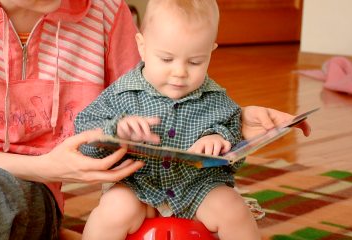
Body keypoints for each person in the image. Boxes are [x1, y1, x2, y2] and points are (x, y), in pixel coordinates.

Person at [0, 0, 310, 239]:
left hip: (13, 187)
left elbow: (152, 98)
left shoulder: (107, 12)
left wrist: (233, 119)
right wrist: (48, 163)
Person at [74, 1, 284, 239]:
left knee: (234, 210)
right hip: (138, 185)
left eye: (195, 62)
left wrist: (220, 139)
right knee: (112, 211)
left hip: (197, 187)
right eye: (166, 59)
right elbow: (83, 134)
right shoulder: (121, 93)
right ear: (142, 46)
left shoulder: (216, 99)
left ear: (210, 52)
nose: (180, 72)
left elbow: (235, 146)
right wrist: (115, 130)